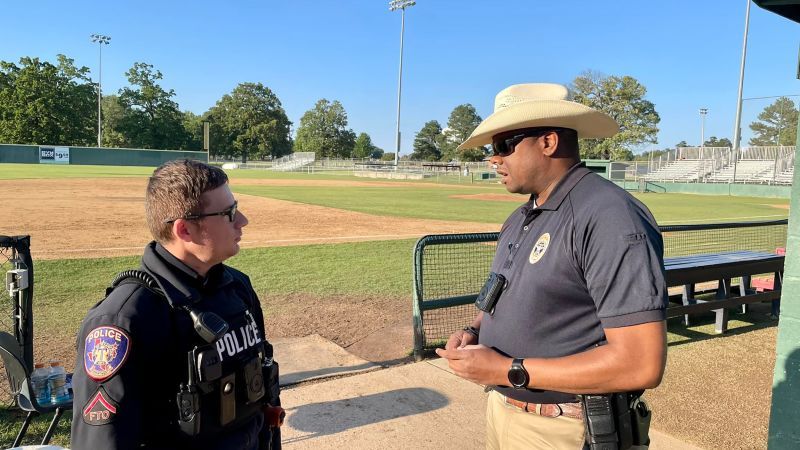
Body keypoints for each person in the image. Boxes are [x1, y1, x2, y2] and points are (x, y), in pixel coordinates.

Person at [436, 83, 668, 449]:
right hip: (504, 408)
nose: (493, 159)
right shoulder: (522, 216)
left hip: (564, 427)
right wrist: (474, 332)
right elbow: (510, 296)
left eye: (503, 145)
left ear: (548, 142)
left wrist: (505, 369)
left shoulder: (609, 215)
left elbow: (640, 363)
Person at [71, 159, 282, 450]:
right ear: (185, 230)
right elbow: (102, 442)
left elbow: (263, 392)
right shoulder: (124, 319)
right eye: (229, 213)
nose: (243, 220)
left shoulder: (237, 286)